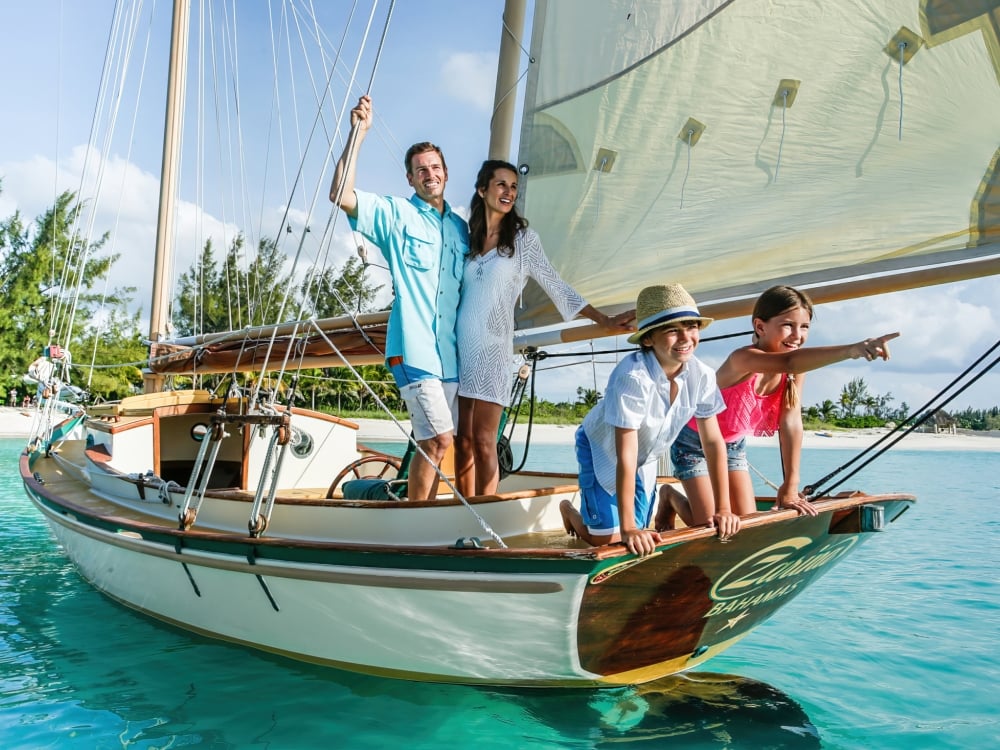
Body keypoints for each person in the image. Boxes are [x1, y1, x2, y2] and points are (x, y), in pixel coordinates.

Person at [454, 160, 635, 497]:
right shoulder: (468, 239)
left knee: (483, 440)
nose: (509, 192)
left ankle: (484, 514)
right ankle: (460, 512)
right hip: (459, 348)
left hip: (493, 350)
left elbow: (556, 285)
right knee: (461, 441)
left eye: (513, 187)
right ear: (482, 190)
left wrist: (604, 320)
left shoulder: (523, 240)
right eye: (501, 185)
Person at [658, 285, 900, 530]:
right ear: (760, 326)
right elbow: (789, 361)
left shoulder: (795, 371)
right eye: (788, 325)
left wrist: (790, 486)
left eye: (804, 327)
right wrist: (852, 350)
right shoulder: (743, 359)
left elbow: (791, 423)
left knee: (745, 526)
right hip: (694, 442)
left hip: (732, 444)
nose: (797, 335)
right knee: (710, 526)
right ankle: (669, 497)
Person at [330, 95, 467, 501]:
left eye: (436, 168)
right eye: (421, 170)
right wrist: (358, 133)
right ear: (410, 179)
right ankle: (415, 522)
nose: (430, 174)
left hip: (452, 356)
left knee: (453, 443)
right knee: (437, 440)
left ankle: (433, 513)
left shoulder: (461, 229)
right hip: (413, 350)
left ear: (446, 173)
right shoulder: (395, 215)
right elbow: (340, 193)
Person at [559, 283, 740, 557]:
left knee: (646, 532)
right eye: (672, 330)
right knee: (610, 540)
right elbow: (625, 455)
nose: (685, 337)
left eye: (691, 327)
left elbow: (713, 442)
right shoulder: (632, 377)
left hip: (647, 454)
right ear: (647, 340)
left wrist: (724, 509)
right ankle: (570, 511)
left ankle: (663, 497)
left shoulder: (701, 374)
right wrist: (629, 527)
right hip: (603, 448)